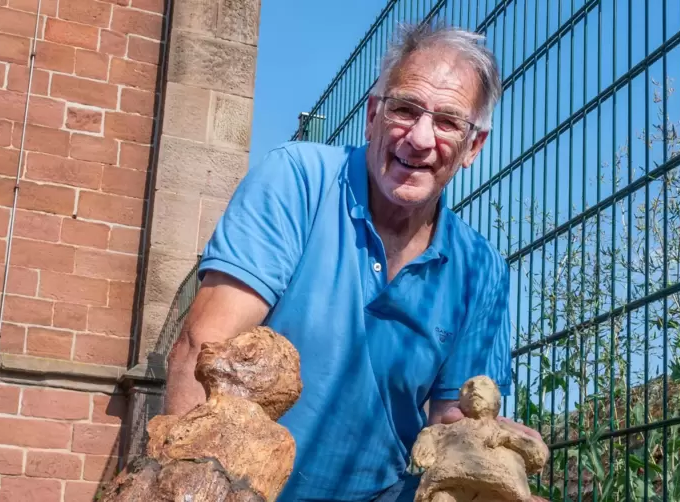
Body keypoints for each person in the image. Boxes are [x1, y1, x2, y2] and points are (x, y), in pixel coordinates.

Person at [164, 21, 548, 502]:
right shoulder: (296, 181)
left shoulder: (480, 270)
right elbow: (205, 349)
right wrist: (189, 488)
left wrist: (487, 447)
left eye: (449, 121)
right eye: (406, 109)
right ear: (372, 115)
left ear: (473, 146)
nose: (421, 138)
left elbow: (453, 418)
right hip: (246, 490)